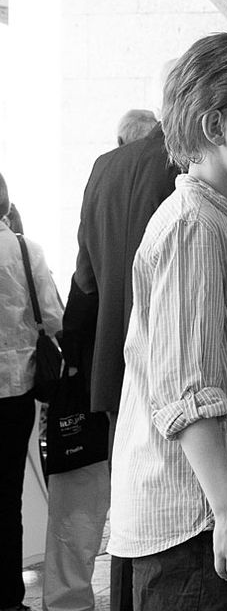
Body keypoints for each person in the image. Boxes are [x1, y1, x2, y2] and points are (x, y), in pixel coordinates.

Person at [106, 32, 227, 609]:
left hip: (200, 525)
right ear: (214, 127)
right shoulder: (193, 227)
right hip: (193, 527)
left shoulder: (215, 219)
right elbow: (185, 391)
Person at [63, 62, 180, 611]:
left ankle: (124, 602)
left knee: (129, 490)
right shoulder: (190, 166)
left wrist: (74, 347)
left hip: (114, 356)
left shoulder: (103, 168)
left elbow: (85, 277)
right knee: (177, 495)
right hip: (175, 351)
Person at [0, 171, 63, 611]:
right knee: (8, 498)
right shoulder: (25, 250)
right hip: (16, 389)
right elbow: (55, 318)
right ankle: (7, 596)